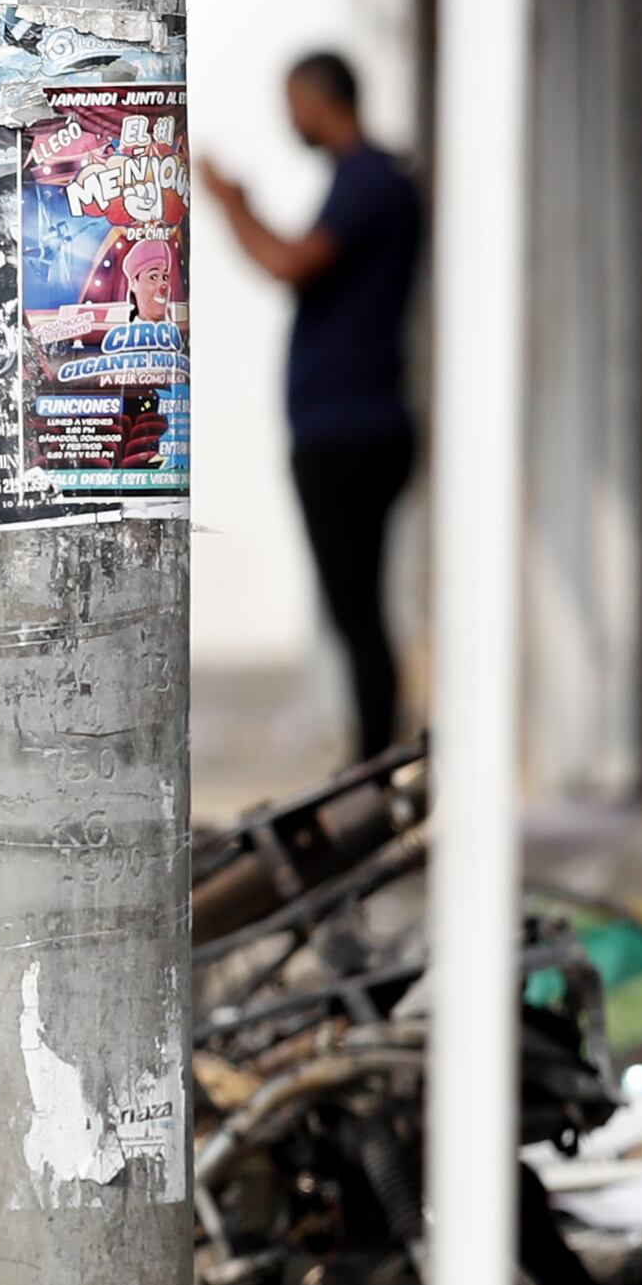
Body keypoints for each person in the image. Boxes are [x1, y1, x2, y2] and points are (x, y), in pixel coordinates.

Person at [203, 48, 424, 760]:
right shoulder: (368, 180)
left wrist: (230, 204)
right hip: (353, 427)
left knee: (356, 612)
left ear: (321, 101)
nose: (289, 119)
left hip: (349, 433)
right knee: (355, 610)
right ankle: (374, 759)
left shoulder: (368, 180)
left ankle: (374, 764)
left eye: (293, 104)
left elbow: (289, 262)